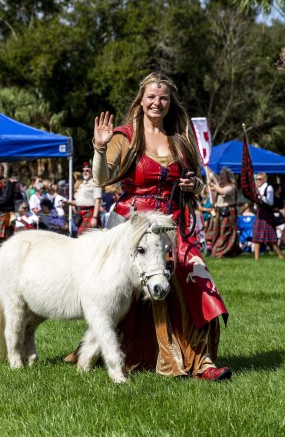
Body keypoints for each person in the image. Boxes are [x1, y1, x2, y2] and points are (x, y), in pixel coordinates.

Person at [80, 72, 230, 381]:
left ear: (170, 102)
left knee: (196, 279)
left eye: (163, 97)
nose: (157, 102)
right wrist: (98, 148)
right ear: (141, 100)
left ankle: (202, 363)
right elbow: (101, 178)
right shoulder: (125, 136)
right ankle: (117, 353)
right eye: (151, 96)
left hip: (175, 226)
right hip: (134, 224)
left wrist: (193, 184)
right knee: (124, 295)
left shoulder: (180, 138)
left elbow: (199, 183)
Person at [204, 166, 241, 258]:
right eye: (220, 175)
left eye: (223, 175)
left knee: (226, 232)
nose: (221, 177)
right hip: (218, 212)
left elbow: (221, 191)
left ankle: (222, 251)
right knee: (215, 232)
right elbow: (211, 174)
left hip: (227, 212)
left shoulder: (231, 187)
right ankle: (215, 250)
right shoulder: (219, 184)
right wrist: (205, 163)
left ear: (228, 176)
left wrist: (213, 185)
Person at [252, 173, 284, 260]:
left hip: (267, 213)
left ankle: (280, 256)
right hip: (259, 213)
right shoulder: (257, 188)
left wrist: (261, 196)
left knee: (271, 239)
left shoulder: (268, 188)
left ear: (265, 179)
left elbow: (270, 202)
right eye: (256, 179)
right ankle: (256, 259)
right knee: (256, 237)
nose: (257, 181)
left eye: (259, 179)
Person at [64, 162, 102, 235]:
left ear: (92, 172)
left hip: (90, 213)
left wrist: (94, 217)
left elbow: (98, 201)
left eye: (87, 170)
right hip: (81, 214)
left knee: (88, 237)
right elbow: (78, 202)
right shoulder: (82, 185)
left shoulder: (96, 184)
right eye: (83, 171)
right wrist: (67, 202)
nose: (85, 172)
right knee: (81, 236)